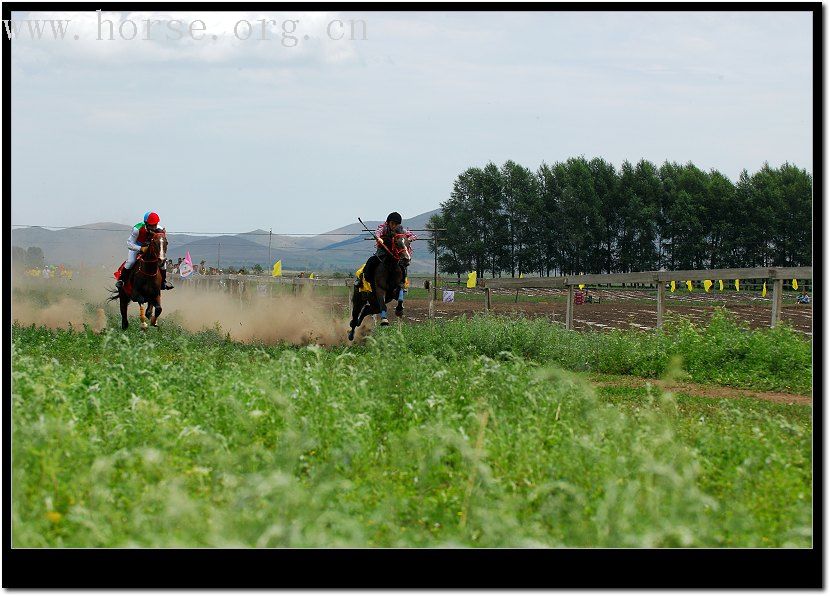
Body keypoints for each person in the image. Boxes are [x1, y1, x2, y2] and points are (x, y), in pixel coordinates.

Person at [116, 211, 173, 291]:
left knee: (163, 263)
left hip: (151, 248)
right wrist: (140, 248)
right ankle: (122, 280)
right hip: (137, 246)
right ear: (146, 223)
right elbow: (129, 243)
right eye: (151, 225)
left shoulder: (159, 229)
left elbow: (161, 242)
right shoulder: (137, 229)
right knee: (131, 261)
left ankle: (163, 282)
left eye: (155, 225)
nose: (154, 227)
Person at [357, 212, 416, 290]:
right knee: (371, 261)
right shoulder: (383, 228)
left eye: (396, 224)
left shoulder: (401, 230)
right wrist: (379, 238)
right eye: (392, 223)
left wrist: (408, 239)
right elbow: (377, 233)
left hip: (395, 253)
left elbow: (413, 236)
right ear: (388, 222)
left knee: (402, 266)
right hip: (383, 251)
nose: (394, 226)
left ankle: (402, 282)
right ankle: (363, 279)